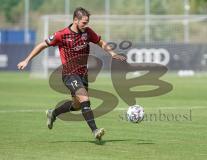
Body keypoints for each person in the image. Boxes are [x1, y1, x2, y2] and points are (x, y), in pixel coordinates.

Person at [17, 7, 126, 141]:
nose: (86, 25)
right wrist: (26, 60)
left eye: (87, 22)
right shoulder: (61, 35)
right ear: (75, 20)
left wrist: (112, 53)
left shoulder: (87, 32)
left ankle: (53, 113)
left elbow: (100, 42)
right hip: (69, 74)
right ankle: (95, 131)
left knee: (77, 105)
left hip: (83, 74)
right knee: (85, 99)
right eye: (83, 23)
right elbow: (42, 45)